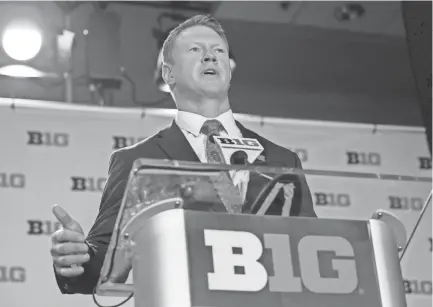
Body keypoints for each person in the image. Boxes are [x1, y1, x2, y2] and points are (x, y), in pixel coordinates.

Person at [50, 14, 317, 295]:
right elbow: (104, 263)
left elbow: (312, 248)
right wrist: (78, 258)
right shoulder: (137, 160)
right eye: (195, 50)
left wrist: (366, 241)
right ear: (168, 73)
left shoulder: (282, 160)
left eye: (219, 51)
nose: (210, 57)